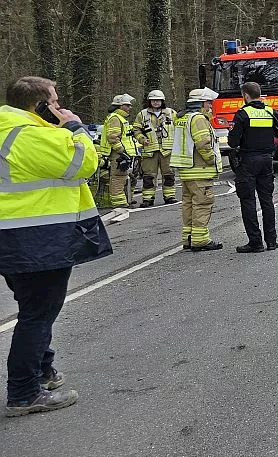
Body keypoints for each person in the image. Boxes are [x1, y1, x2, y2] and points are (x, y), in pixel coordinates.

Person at [1, 76, 112, 416]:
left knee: (34, 308)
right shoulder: (32, 134)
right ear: (39, 106)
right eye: (55, 102)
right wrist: (76, 127)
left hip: (15, 235)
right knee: (38, 314)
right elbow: (84, 164)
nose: (60, 107)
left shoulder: (8, 129)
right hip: (37, 237)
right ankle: (23, 393)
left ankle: (43, 370)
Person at [227, 81, 278, 253]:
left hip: (248, 161)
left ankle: (255, 242)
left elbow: (232, 142)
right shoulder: (270, 112)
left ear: (245, 95)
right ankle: (272, 241)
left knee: (248, 201)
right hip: (267, 161)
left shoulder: (242, 114)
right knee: (267, 201)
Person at [172, 88, 223, 251]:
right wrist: (211, 159)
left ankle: (188, 238)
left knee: (188, 204)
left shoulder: (182, 117)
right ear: (200, 103)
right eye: (208, 102)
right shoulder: (199, 118)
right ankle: (200, 240)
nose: (210, 105)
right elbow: (203, 143)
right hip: (200, 169)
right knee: (202, 204)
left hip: (186, 170)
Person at [99, 93, 140, 222]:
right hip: (118, 153)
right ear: (120, 106)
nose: (130, 107)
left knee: (127, 177)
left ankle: (126, 200)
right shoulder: (115, 118)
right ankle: (119, 203)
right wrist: (122, 151)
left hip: (124, 153)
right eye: (127, 105)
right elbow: (113, 137)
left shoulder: (121, 118)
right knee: (118, 178)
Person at [135, 89, 177, 206]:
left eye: (158, 100)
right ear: (149, 101)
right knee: (148, 176)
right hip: (150, 150)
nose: (156, 102)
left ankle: (170, 196)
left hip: (167, 150)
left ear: (162, 101)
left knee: (169, 174)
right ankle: (148, 199)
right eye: (153, 100)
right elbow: (136, 130)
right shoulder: (142, 115)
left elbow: (178, 128)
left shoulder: (171, 113)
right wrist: (142, 139)